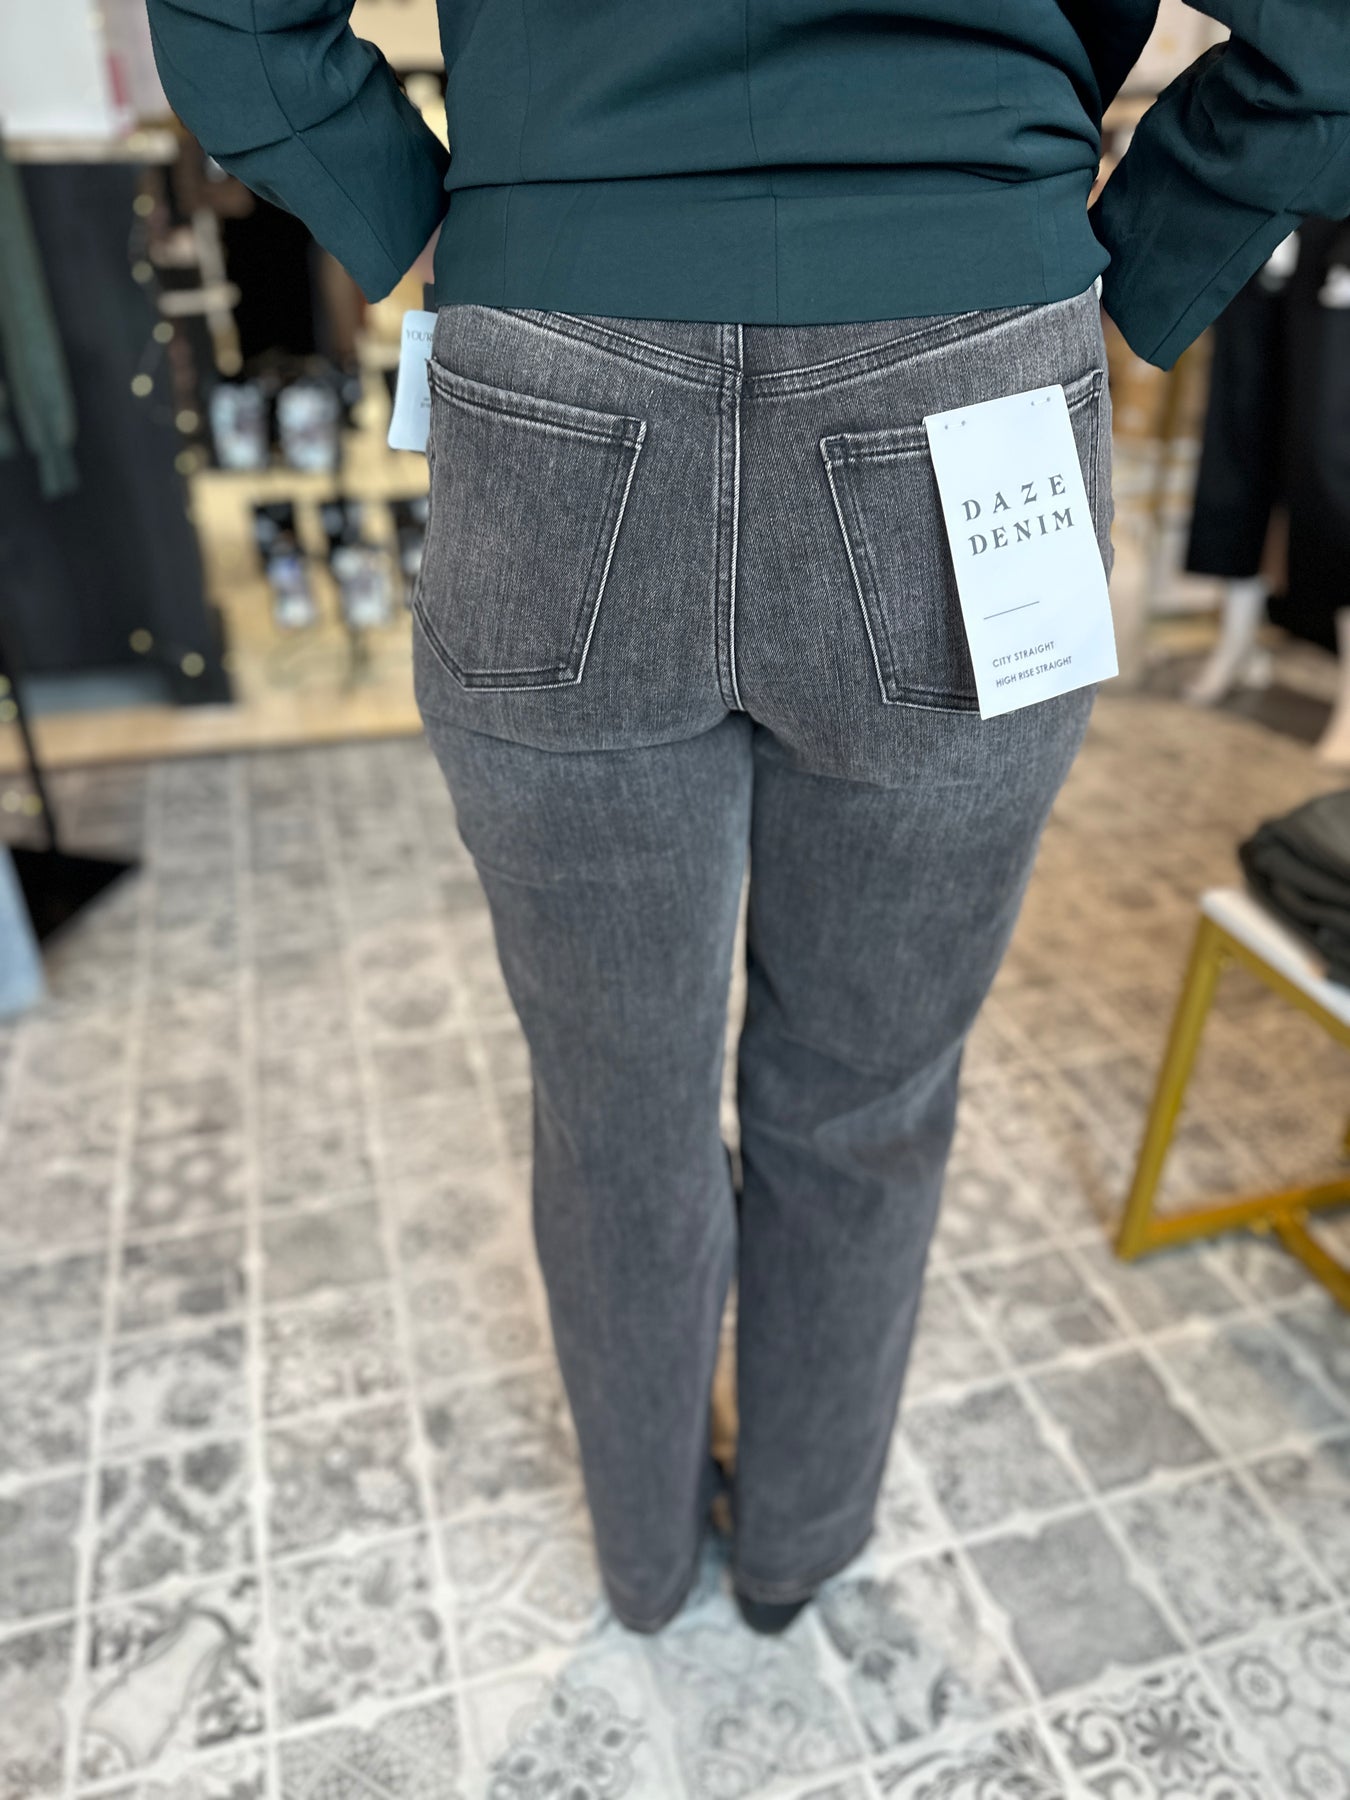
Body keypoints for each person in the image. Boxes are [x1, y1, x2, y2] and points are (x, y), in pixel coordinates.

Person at [145, 0, 1350, 1635]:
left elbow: (232, 23)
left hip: (555, 343)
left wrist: (433, 214)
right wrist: (1120, 259)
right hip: (969, 352)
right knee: (867, 1090)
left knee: (611, 1102)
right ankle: (795, 1547)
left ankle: (645, 1564)